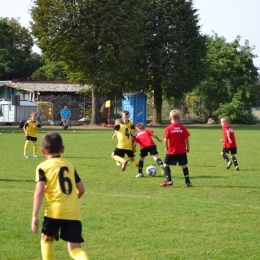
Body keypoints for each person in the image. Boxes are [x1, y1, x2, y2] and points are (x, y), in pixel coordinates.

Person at [31, 132, 89, 260]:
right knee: (75, 249)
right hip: (73, 212)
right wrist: (71, 200)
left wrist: (34, 215)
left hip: (54, 211)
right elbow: (81, 190)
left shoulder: (42, 167)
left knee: (46, 240)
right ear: (62, 149)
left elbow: (39, 191)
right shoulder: (70, 165)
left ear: (42, 151)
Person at [160, 110, 192, 187]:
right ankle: (188, 182)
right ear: (179, 118)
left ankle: (169, 180)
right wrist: (187, 147)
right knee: (183, 165)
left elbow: (165, 140)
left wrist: (166, 148)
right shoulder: (182, 127)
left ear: (170, 118)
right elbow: (187, 138)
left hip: (172, 150)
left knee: (165, 164)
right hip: (182, 150)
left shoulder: (169, 128)